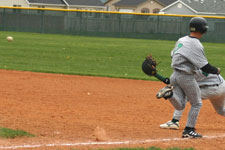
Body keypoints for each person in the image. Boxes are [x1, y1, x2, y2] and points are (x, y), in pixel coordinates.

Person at [156, 17, 221, 138]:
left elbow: (173, 55)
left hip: (175, 74)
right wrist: (216, 70)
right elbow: (205, 66)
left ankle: (169, 95)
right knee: (197, 104)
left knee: (180, 104)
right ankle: (189, 130)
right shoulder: (195, 44)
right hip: (186, 76)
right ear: (204, 29)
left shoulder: (182, 39)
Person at [159, 70, 225, 130]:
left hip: (213, 89)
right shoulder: (199, 65)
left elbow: (178, 83)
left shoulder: (193, 71)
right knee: (221, 110)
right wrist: (156, 75)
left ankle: (174, 121)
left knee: (185, 96)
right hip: (222, 85)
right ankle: (174, 122)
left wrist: (156, 75)